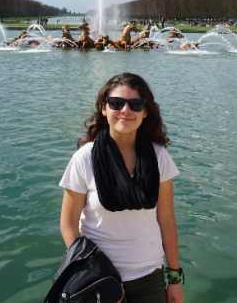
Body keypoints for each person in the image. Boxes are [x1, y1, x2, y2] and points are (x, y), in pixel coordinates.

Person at [60, 73, 184, 303]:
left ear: (145, 112)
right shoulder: (84, 158)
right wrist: (92, 273)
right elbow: (68, 224)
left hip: (149, 276)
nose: (125, 110)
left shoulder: (160, 157)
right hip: (98, 278)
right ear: (104, 109)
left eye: (135, 104)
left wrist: (174, 278)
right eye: (116, 103)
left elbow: (166, 219)